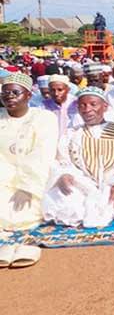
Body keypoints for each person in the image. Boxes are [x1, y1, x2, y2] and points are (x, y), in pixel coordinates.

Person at [43, 87, 114, 228]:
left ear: (104, 107)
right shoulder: (72, 134)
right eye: (83, 105)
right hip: (83, 186)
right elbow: (63, 160)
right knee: (61, 202)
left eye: (93, 104)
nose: (87, 109)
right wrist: (65, 175)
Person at [0, 73, 59, 231]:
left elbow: (42, 155)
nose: (9, 97)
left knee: (22, 215)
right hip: (3, 180)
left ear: (28, 95)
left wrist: (27, 187)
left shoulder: (44, 118)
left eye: (15, 93)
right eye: (5, 93)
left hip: (35, 181)